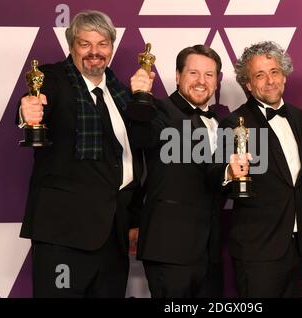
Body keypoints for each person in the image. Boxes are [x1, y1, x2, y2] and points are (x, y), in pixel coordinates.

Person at [18, 10, 151, 297]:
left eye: (102, 44)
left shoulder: (120, 92)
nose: (95, 52)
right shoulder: (54, 79)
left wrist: (135, 218)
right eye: (85, 44)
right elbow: (36, 100)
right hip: (64, 236)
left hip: (113, 236)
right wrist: (26, 111)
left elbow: (134, 158)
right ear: (71, 46)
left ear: (112, 48)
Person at [126, 44, 224, 297]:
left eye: (209, 75)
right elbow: (140, 137)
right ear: (178, 76)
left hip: (210, 251)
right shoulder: (157, 111)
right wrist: (140, 97)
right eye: (193, 73)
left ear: (217, 81)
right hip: (169, 247)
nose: (201, 81)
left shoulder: (223, 123)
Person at [217, 41, 302, 297]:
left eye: (274, 72)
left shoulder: (297, 115)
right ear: (247, 84)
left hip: (297, 248)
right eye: (259, 74)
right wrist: (228, 173)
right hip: (257, 251)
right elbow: (214, 176)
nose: (269, 80)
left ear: (284, 76)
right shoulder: (233, 123)